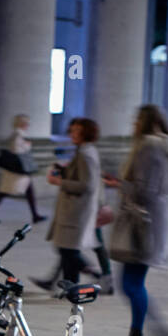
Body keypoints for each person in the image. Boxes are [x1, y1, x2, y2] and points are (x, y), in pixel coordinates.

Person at [104, 104, 168, 336]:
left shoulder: (148, 147)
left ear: (144, 122)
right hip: (150, 222)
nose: (133, 124)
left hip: (143, 224)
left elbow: (144, 189)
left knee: (130, 283)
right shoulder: (160, 146)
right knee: (131, 282)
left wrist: (119, 183)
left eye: (136, 119)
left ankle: (146, 333)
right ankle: (141, 334)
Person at [34, 116, 101, 290]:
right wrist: (64, 170)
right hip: (73, 209)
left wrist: (59, 182)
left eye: (77, 130)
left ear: (86, 132)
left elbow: (88, 185)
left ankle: (93, 272)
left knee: (67, 250)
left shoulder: (86, 154)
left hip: (76, 210)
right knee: (67, 250)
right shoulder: (83, 151)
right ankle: (67, 285)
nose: (72, 133)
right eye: (72, 129)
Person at [0, 114, 45, 224]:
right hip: (17, 170)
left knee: (25, 191)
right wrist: (27, 145)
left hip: (17, 170)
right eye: (26, 123)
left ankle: (35, 215)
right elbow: (17, 149)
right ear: (22, 124)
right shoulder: (19, 134)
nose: (28, 125)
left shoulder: (18, 133)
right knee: (4, 192)